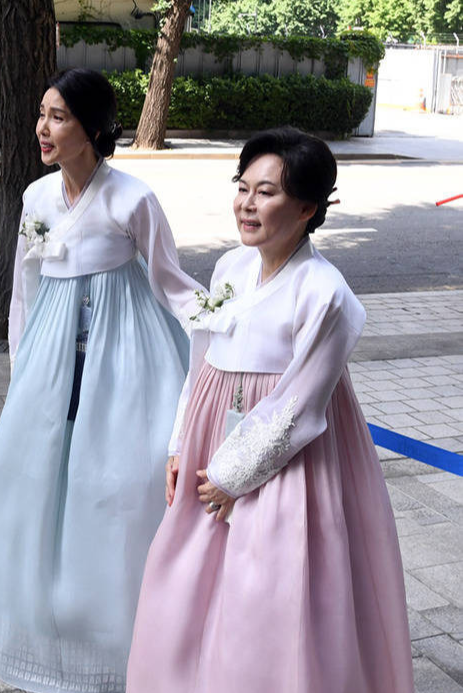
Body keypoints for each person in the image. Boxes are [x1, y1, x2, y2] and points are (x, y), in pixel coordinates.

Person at [126, 127, 414, 693]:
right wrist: (180, 444)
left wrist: (231, 477)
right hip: (213, 437)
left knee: (272, 587)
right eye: (243, 187)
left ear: (307, 208)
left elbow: (299, 405)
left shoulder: (325, 293)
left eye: (267, 192)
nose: (247, 204)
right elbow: (201, 359)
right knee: (190, 578)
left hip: (285, 459)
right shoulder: (230, 267)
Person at [0, 68, 202, 693]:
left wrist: (225, 323)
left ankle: (127, 636)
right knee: (37, 484)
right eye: (42, 114)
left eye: (58, 117)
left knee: (116, 489)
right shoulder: (36, 198)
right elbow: (25, 290)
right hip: (50, 362)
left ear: (94, 128)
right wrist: (22, 370)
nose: (42, 128)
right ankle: (51, 631)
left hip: (125, 357)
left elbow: (172, 283)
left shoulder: (132, 199)